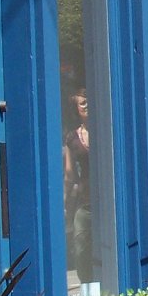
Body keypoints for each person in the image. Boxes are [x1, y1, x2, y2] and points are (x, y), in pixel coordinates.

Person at [63, 89, 92, 280]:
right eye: (82, 103)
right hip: (85, 200)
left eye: (89, 101)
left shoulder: (106, 128)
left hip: (108, 197)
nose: (87, 106)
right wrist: (66, 205)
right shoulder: (72, 138)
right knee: (81, 247)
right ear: (76, 109)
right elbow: (69, 174)